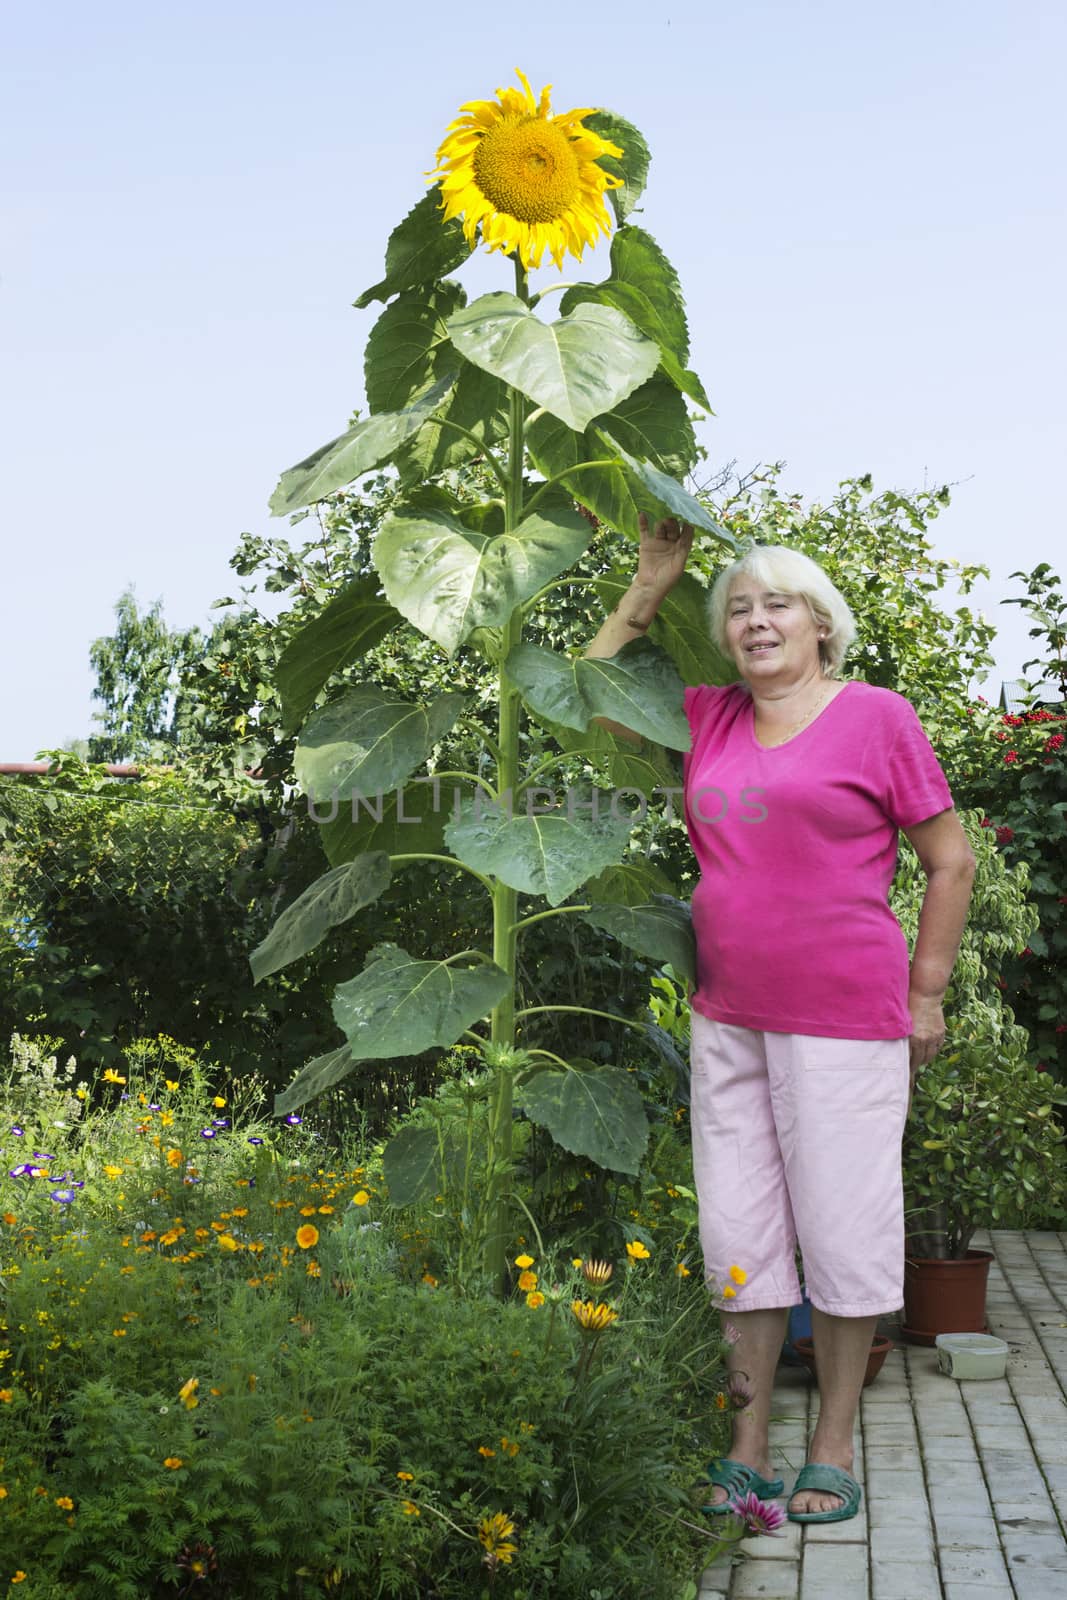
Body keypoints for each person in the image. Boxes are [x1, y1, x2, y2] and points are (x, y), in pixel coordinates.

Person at [583, 514, 976, 1523]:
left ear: (820, 624)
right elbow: (587, 705)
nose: (757, 620)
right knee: (740, 1235)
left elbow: (948, 859)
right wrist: (649, 583)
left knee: (842, 1230)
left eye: (779, 604)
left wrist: (923, 990)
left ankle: (833, 1444)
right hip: (728, 1016)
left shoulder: (873, 717)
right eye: (739, 608)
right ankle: (747, 1441)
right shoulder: (706, 718)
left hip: (843, 1017)